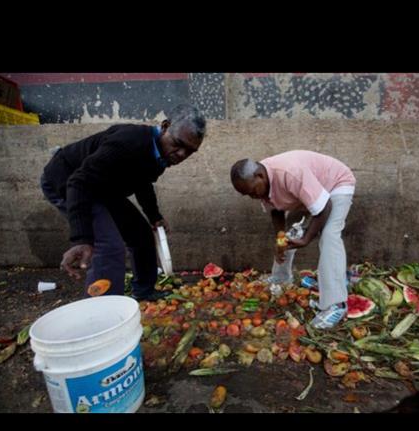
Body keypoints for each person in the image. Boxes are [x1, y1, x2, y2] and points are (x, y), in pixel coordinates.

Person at [40, 104, 205, 299]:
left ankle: (144, 292)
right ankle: (102, 313)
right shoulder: (128, 142)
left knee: (141, 234)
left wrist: (154, 216)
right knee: (109, 245)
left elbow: (143, 183)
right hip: (68, 181)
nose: (181, 154)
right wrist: (82, 238)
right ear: (165, 126)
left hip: (104, 188)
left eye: (189, 151)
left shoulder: (159, 155)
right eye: (178, 144)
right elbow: (79, 182)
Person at [230, 150, 355, 329]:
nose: (252, 197)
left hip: (336, 184)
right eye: (247, 195)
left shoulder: (290, 173)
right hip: (310, 191)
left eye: (251, 192)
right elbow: (276, 210)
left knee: (329, 234)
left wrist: (306, 239)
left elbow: (324, 207)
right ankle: (281, 278)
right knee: (289, 234)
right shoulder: (262, 181)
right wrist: (280, 241)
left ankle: (336, 305)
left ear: (260, 176)